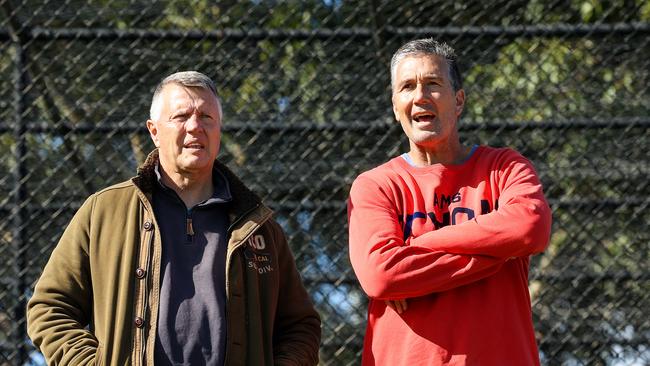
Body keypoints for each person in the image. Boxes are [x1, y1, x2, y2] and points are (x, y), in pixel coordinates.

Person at [27, 71, 321, 365]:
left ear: (219, 130)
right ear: (154, 131)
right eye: (181, 116)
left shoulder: (258, 225)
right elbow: (49, 308)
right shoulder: (103, 211)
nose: (195, 127)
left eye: (206, 117)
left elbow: (301, 327)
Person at [347, 39, 552, 365]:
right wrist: (496, 254)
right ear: (395, 106)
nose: (420, 96)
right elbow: (381, 274)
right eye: (407, 87)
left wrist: (416, 247)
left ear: (458, 101)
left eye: (433, 84)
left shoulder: (504, 167)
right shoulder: (375, 185)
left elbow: (530, 228)